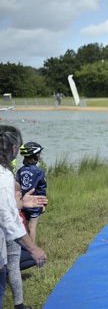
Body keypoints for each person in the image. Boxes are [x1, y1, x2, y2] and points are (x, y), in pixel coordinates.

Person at [0, 125, 48, 307]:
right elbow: (7, 218)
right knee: (9, 264)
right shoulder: (4, 175)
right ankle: (19, 304)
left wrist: (21, 204)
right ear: (13, 149)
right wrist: (33, 249)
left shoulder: (15, 173)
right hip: (5, 236)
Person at [16, 142, 47, 244]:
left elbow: (17, 188)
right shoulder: (39, 172)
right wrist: (43, 204)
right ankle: (32, 249)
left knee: (25, 226)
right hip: (35, 203)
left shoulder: (20, 171)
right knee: (32, 227)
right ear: (36, 156)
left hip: (23, 203)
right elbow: (42, 189)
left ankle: (25, 247)